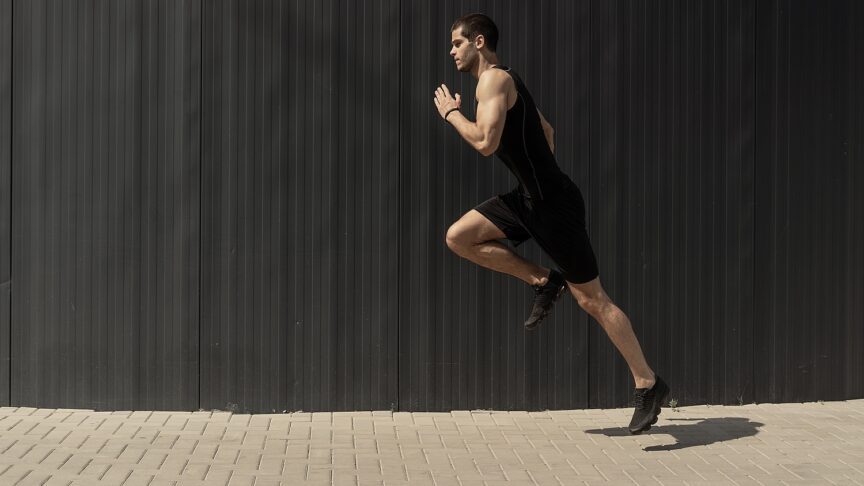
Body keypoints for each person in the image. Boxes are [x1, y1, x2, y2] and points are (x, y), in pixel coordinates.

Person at [433, 13, 669, 434]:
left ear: (479, 41)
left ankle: (648, 383)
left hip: (553, 207)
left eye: (456, 43)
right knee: (459, 237)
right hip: (530, 199)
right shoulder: (506, 82)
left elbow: (486, 143)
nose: (451, 51)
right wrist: (537, 173)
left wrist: (451, 114)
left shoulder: (493, 82)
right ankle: (543, 281)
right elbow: (546, 128)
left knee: (593, 300)